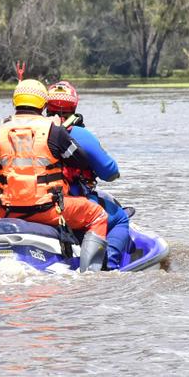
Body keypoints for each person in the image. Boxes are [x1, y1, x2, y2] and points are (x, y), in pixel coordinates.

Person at [0, 79, 110, 271]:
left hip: (7, 210)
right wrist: (62, 133)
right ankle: (90, 274)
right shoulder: (54, 131)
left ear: (15, 102)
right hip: (50, 210)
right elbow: (82, 162)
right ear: (43, 104)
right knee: (97, 215)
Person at [45, 80, 131, 271]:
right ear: (74, 106)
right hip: (68, 204)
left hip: (32, 202)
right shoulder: (79, 134)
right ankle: (109, 267)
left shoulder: (34, 133)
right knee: (120, 218)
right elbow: (110, 172)